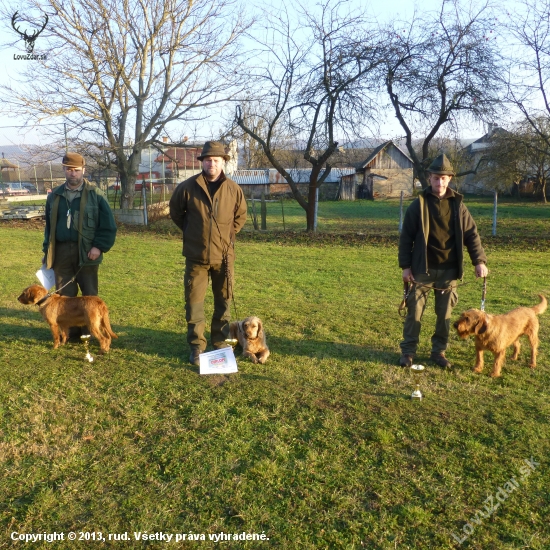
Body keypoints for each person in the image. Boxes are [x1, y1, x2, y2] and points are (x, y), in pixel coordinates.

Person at [398, 153, 488, 368]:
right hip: (422, 270)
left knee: (444, 316)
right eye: (436, 178)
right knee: (414, 313)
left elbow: (471, 235)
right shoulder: (418, 205)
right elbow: (406, 238)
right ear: (429, 178)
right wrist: (406, 267)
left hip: (449, 271)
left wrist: (479, 261)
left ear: (450, 179)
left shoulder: (458, 206)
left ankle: (438, 352)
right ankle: (408, 352)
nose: (440, 182)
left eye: (444, 178)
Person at [169, 141, 247, 366]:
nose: (212, 164)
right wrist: (194, 232)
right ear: (202, 162)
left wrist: (227, 235)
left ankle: (220, 342)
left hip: (224, 257)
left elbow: (240, 216)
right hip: (196, 257)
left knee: (223, 301)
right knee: (194, 303)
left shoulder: (233, 189)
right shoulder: (186, 187)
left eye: (216, 160)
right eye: (208, 160)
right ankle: (196, 347)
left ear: (223, 162)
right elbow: (176, 213)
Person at [42, 152, 117, 335]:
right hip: (60, 251)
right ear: (64, 170)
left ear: (83, 170)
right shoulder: (55, 196)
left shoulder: (95, 194)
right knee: (65, 295)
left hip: (87, 251)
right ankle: (71, 332)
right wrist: (47, 251)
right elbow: (49, 227)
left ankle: (89, 330)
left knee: (89, 292)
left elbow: (108, 225)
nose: (72, 173)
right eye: (69, 170)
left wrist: (98, 246)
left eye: (76, 170)